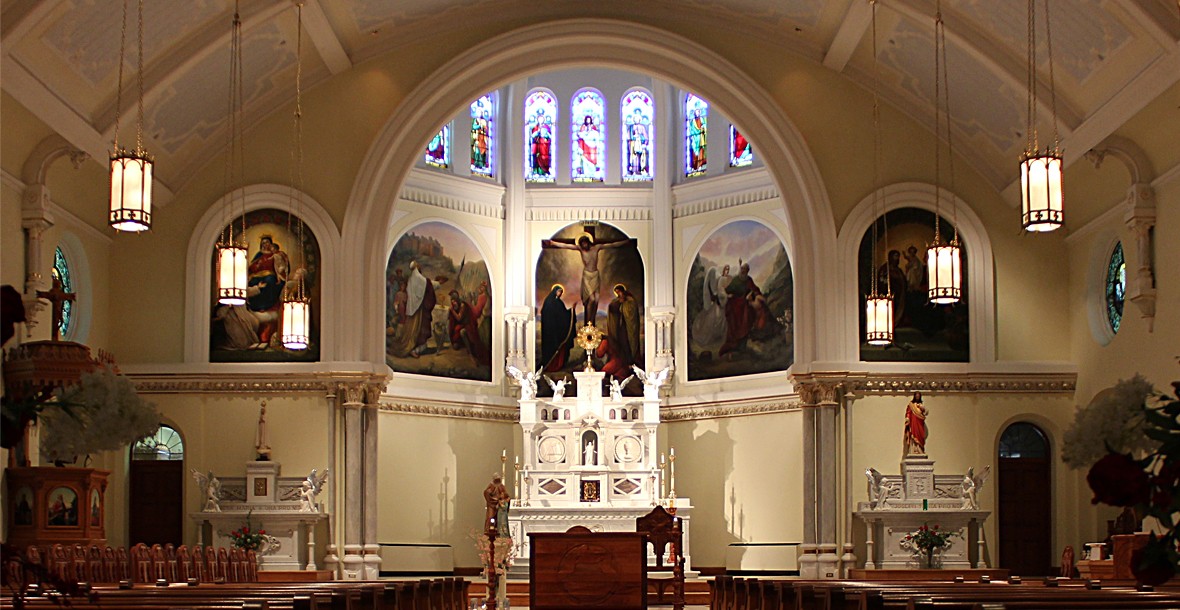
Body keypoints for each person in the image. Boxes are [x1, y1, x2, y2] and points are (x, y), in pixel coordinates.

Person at [541, 232, 637, 324]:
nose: (584, 246)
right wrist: (552, 243)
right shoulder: (580, 249)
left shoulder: (596, 248)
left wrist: (625, 242)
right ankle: (588, 323)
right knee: (590, 299)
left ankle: (591, 322)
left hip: (595, 275)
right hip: (587, 276)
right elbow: (566, 246)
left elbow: (611, 244)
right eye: (582, 244)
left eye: (585, 243)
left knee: (595, 300)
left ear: (588, 242)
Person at [246, 235, 290, 349]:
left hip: (270, 277)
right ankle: (256, 306)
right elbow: (251, 267)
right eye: (264, 242)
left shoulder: (275, 254)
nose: (265, 244)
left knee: (269, 281)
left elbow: (282, 266)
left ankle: (266, 305)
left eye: (267, 242)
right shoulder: (259, 255)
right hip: (256, 278)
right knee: (251, 285)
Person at [389, 261, 440, 358]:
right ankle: (414, 349)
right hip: (418, 311)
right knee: (418, 330)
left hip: (412, 309)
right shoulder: (419, 279)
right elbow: (427, 284)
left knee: (412, 331)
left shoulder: (411, 279)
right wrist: (437, 283)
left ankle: (413, 347)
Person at [720, 263, 759, 357]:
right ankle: (732, 348)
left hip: (745, 307)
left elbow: (755, 289)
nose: (743, 270)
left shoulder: (749, 280)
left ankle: (742, 348)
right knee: (734, 327)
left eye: (745, 269)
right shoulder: (736, 279)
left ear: (747, 271)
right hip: (735, 307)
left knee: (745, 325)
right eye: (742, 269)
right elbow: (728, 290)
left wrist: (753, 295)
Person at [603, 284, 640, 379]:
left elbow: (630, 312)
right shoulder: (617, 300)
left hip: (627, 328)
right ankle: (623, 361)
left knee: (627, 343)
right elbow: (613, 307)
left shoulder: (630, 300)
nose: (618, 294)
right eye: (616, 292)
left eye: (618, 292)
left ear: (622, 291)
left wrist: (623, 305)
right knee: (621, 343)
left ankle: (630, 361)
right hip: (620, 327)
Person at [539, 284, 576, 372]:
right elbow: (546, 314)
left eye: (561, 292)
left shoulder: (559, 302)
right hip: (550, 330)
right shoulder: (548, 301)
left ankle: (558, 365)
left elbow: (563, 315)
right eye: (559, 291)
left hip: (558, 330)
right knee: (551, 348)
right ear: (554, 291)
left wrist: (571, 310)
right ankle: (549, 366)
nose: (560, 294)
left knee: (560, 347)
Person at [447, 290, 490, 365]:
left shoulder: (463, 305)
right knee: (456, 345)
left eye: (454, 301)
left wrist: (452, 311)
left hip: (469, 325)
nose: (453, 303)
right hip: (462, 325)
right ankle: (458, 342)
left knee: (462, 332)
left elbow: (459, 318)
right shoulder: (455, 306)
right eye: (452, 301)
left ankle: (470, 354)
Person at [876, 249, 908, 328]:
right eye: (895, 256)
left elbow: (903, 281)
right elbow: (881, 281)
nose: (897, 259)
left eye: (898, 257)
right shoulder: (885, 269)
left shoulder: (898, 270)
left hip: (899, 295)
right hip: (889, 294)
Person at [625, 108, 650, 176]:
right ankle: (634, 170)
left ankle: (642, 170)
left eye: (637, 119)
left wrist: (644, 142)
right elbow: (628, 137)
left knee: (642, 157)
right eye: (635, 119)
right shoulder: (631, 127)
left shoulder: (642, 127)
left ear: (639, 120)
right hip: (633, 144)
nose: (636, 120)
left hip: (640, 144)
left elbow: (645, 136)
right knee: (634, 157)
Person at [903, 392, 928, 457]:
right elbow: (908, 412)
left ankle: (920, 450)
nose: (917, 397)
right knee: (913, 436)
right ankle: (913, 450)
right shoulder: (911, 405)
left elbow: (926, 412)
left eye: (918, 396)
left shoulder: (921, 405)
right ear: (914, 397)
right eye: (916, 396)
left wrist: (922, 408)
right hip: (913, 423)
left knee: (920, 436)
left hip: (920, 423)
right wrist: (908, 418)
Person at [529, 112, 552, 177]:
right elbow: (532, 136)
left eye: (542, 119)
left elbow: (550, 136)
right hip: (537, 145)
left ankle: (545, 171)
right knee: (537, 157)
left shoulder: (546, 127)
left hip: (545, 145)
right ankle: (537, 171)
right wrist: (537, 132)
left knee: (544, 157)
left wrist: (546, 134)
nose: (540, 120)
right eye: (539, 119)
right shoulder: (535, 127)